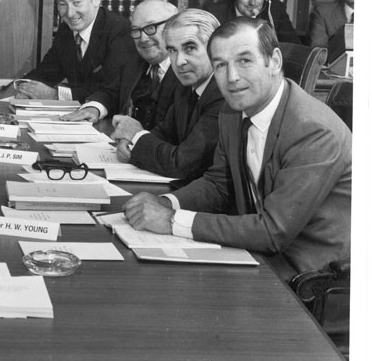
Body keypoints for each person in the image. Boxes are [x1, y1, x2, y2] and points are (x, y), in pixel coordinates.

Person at [122, 18, 350, 280]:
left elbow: (273, 232)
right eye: (220, 65)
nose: (232, 77)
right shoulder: (232, 110)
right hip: (257, 255)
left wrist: (172, 220)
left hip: (309, 278)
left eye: (244, 61)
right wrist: (163, 203)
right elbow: (219, 183)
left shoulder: (313, 130)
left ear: (274, 61)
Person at [117, 9, 225, 185]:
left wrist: (136, 136)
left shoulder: (223, 95)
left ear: (215, 49)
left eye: (190, 48)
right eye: (172, 51)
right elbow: (164, 133)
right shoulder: (185, 85)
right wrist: (130, 142)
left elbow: (182, 164)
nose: (179, 61)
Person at [17, 0, 137, 103]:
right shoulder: (66, 29)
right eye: (62, 4)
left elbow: (111, 90)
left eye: (77, 2)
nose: (70, 13)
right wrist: (26, 89)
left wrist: (56, 95)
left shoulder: (120, 31)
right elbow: (47, 71)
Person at [60, 0, 178, 132]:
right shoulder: (135, 63)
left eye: (151, 28)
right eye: (136, 31)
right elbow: (113, 94)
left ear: (174, 27)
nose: (143, 38)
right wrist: (94, 108)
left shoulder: (186, 72)